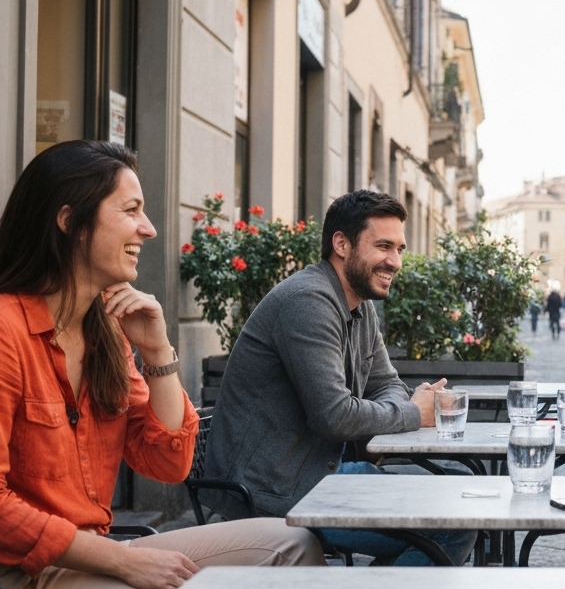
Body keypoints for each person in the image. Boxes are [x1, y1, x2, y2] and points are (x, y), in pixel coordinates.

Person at [0, 141, 325, 589]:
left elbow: (167, 462)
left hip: (92, 560)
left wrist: (158, 351)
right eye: (131, 211)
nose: (150, 228)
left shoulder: (106, 333)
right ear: (70, 221)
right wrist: (122, 562)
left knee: (292, 545)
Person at [204, 190, 476, 566]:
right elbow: (335, 416)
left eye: (399, 248)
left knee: (457, 496)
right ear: (341, 244)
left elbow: (387, 383)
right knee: (452, 527)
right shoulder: (308, 302)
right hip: (274, 490)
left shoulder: (359, 307)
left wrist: (406, 405)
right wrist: (414, 413)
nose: (395, 261)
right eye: (383, 246)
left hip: (324, 475)